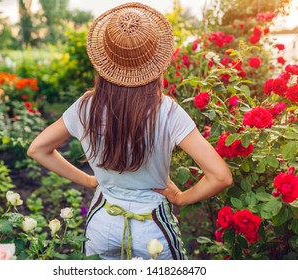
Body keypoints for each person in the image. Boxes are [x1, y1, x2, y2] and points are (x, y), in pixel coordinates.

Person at [27, 2, 232, 260]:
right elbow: (221, 176)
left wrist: (90, 180)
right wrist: (180, 197)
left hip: (101, 223)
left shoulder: (85, 107)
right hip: (152, 228)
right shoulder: (168, 111)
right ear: (156, 59)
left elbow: (37, 149)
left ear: (105, 58)